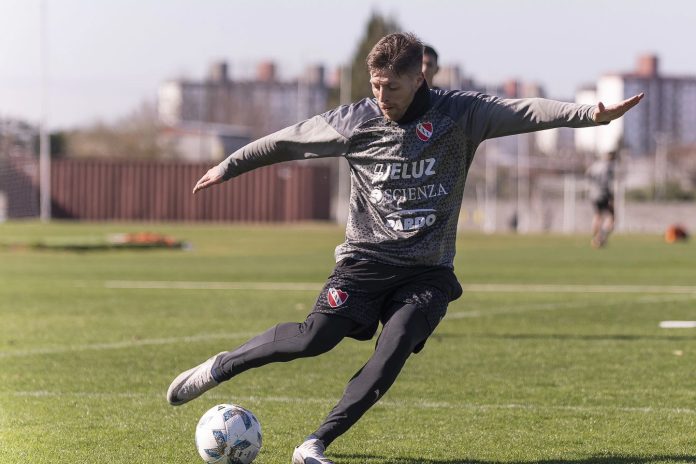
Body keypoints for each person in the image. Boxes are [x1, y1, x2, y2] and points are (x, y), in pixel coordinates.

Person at [167, 32, 643, 463]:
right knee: (314, 339)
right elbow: (285, 142)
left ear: (420, 77)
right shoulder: (354, 121)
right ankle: (219, 367)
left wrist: (589, 116)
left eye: (390, 87)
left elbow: (525, 111)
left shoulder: (461, 114)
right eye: (375, 85)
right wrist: (228, 165)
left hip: (428, 271)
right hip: (364, 261)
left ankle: (314, 444)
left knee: (394, 347)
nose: (381, 96)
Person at [587, 150, 618, 248]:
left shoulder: (596, 165)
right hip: (603, 194)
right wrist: (610, 196)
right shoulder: (608, 166)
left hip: (593, 194)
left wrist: (593, 187)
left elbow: (588, 174)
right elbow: (606, 182)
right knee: (611, 218)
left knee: (597, 215)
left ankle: (595, 238)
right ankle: (600, 238)